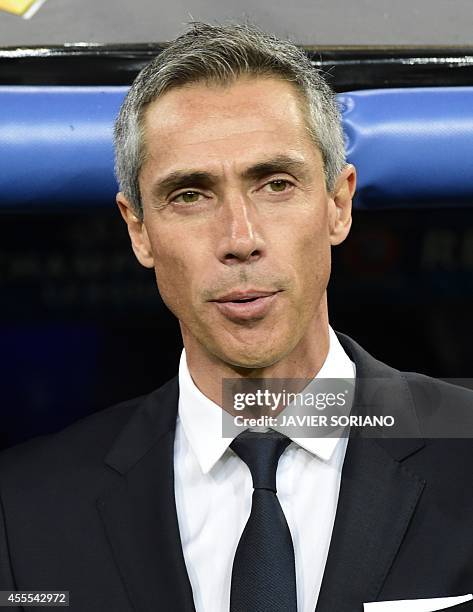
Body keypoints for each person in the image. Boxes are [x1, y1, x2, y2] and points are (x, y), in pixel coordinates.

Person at [1, 20, 473, 612]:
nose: (240, 239)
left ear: (338, 204)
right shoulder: (26, 510)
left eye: (275, 184)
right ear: (138, 231)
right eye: (190, 195)